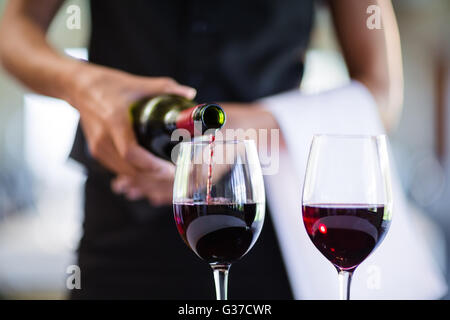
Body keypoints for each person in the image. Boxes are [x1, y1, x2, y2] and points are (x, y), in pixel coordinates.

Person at [0, 0, 407, 299]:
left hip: (271, 228)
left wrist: (233, 131)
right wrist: (82, 86)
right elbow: (12, 29)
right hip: (120, 223)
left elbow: (381, 94)